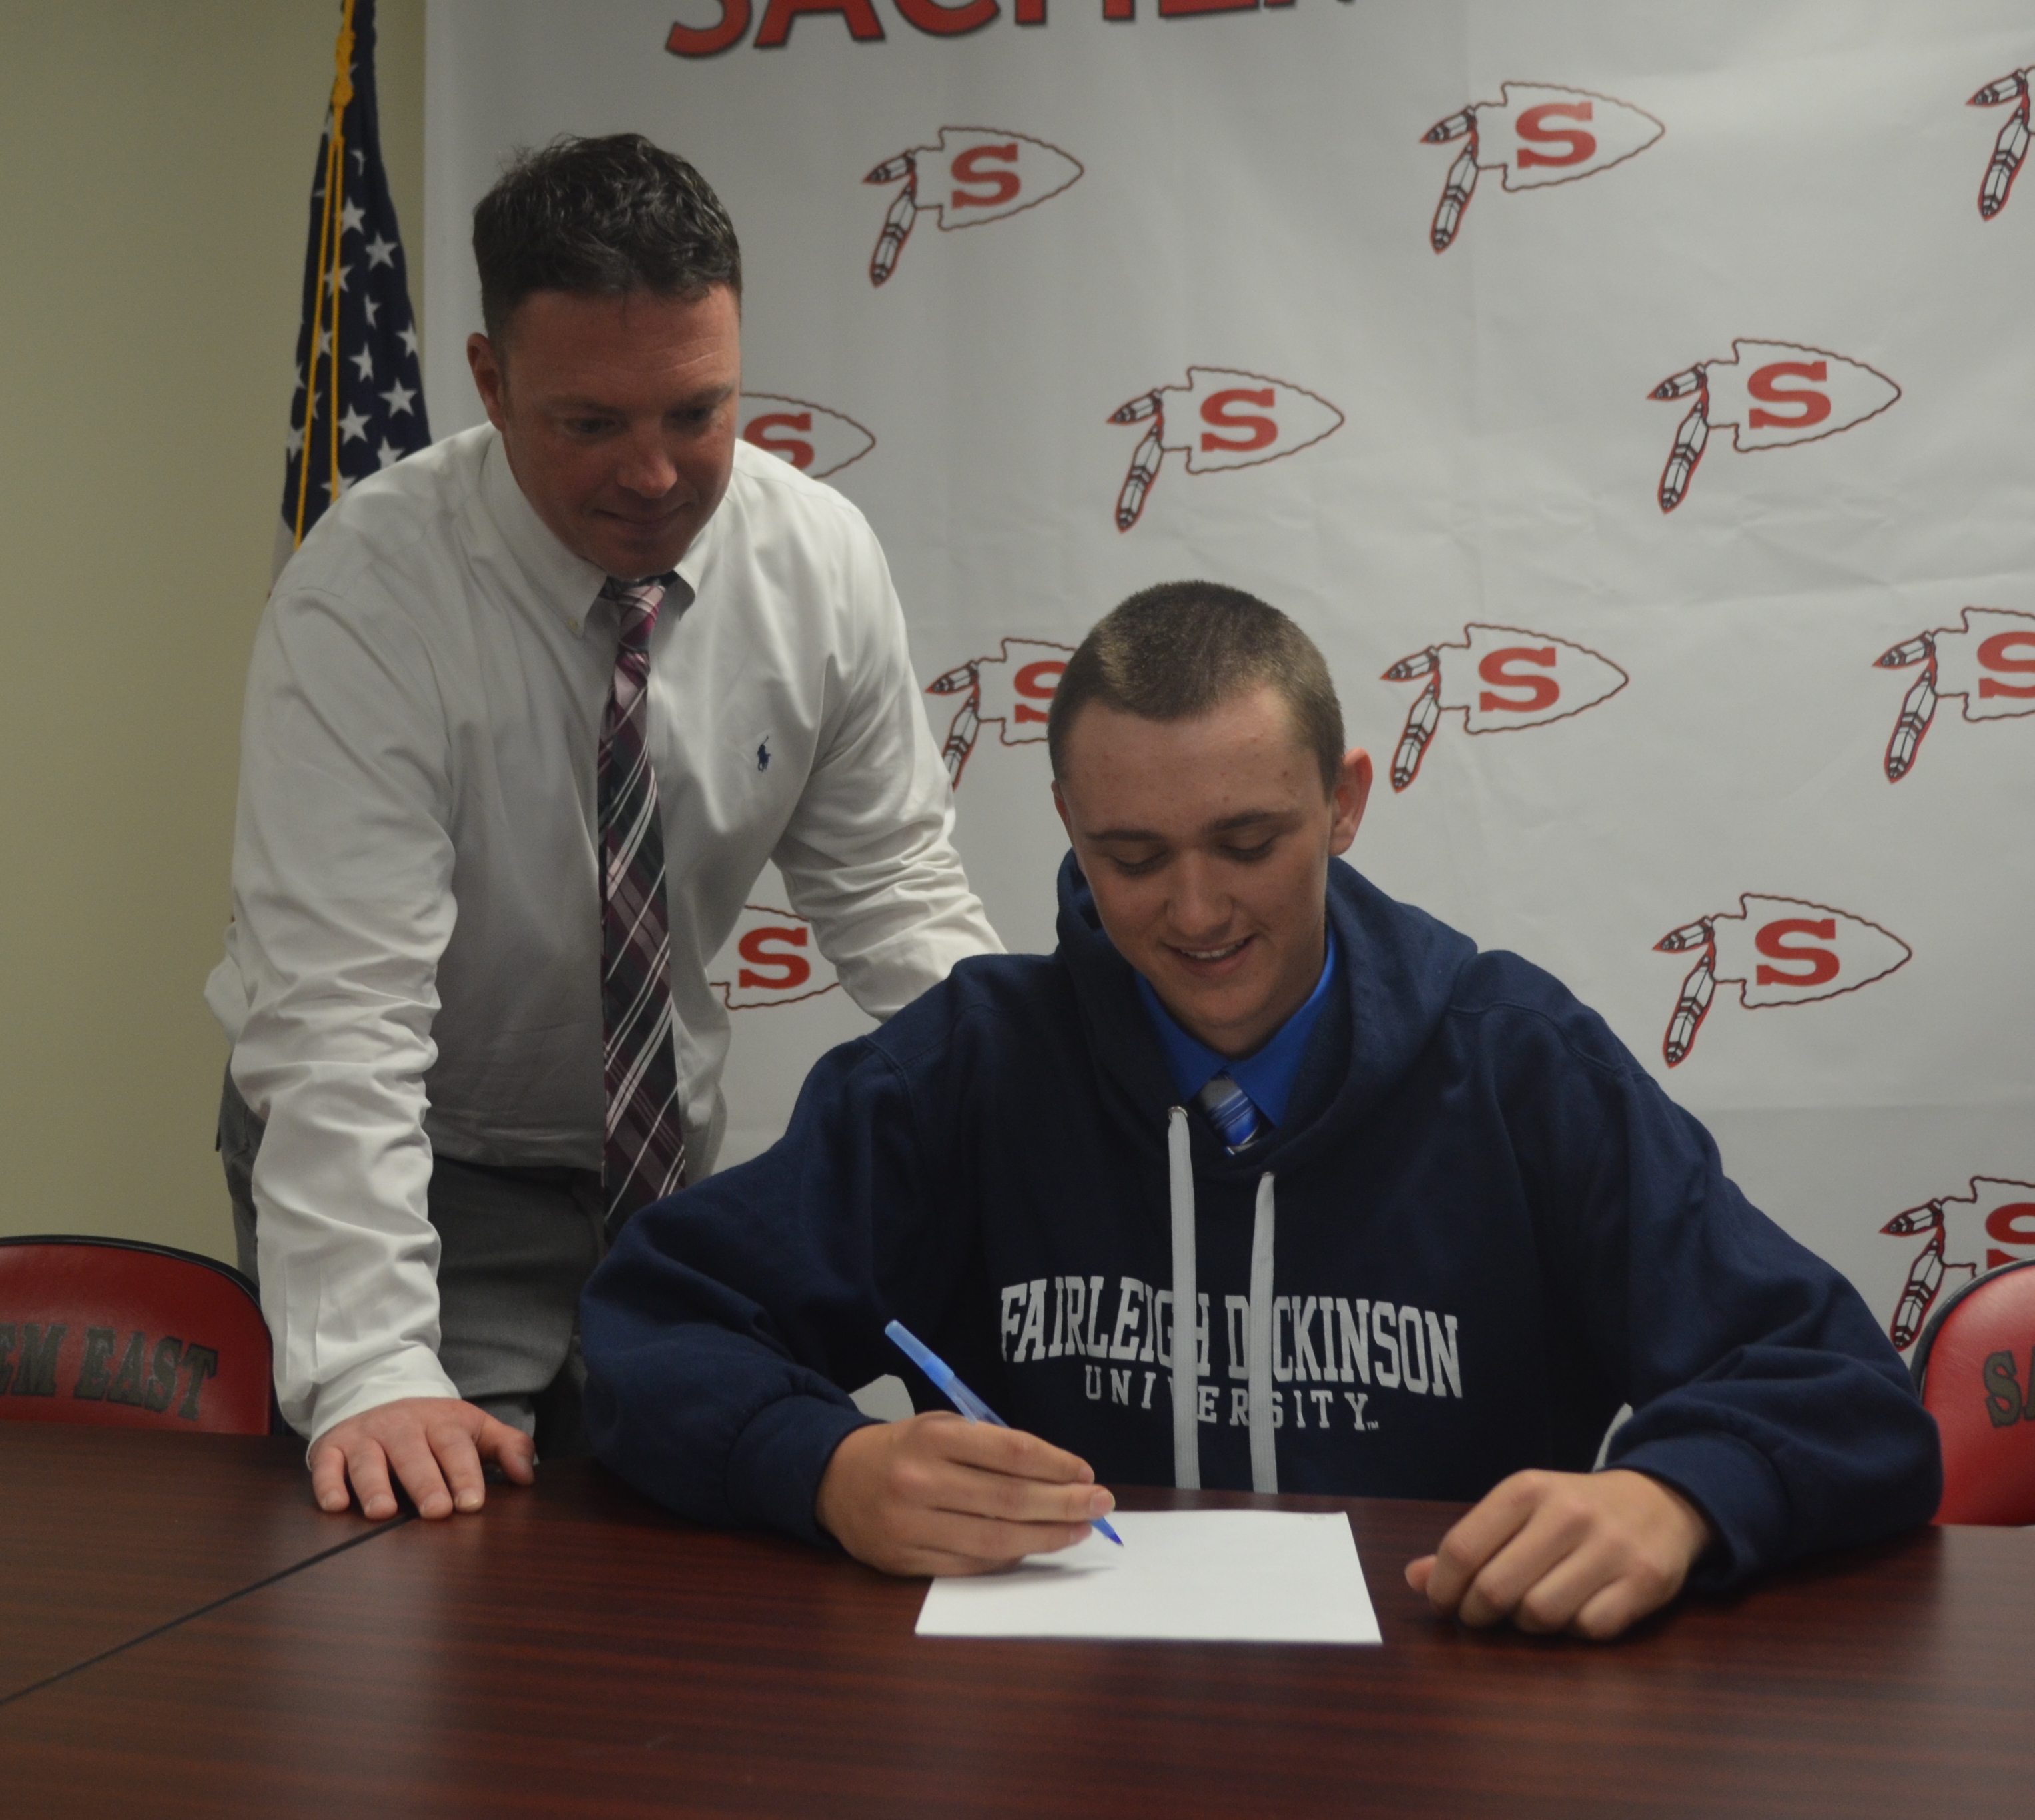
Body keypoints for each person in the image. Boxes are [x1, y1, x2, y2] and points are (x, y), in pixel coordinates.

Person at [580, 580, 1941, 1641]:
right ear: (1068, 823)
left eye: (1248, 843)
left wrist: (1676, 1496)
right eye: (1130, 856)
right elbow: (654, 1323)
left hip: (1446, 1720)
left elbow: (1841, 1390)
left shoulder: (1516, 1064)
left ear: (1343, 804)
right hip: (1063, 1736)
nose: (1196, 910)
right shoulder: (972, 1067)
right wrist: (826, 1465)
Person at [208, 135, 999, 1527]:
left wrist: (1035, 1123)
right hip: (417, 1170)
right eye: (590, 424)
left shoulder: (815, 559)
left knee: (673, 1543)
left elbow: (895, 895)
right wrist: (374, 1366)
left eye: (698, 413)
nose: (654, 474)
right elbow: (339, 1018)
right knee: (429, 1569)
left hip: (662, 1177)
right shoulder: (366, 604)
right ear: (491, 380)